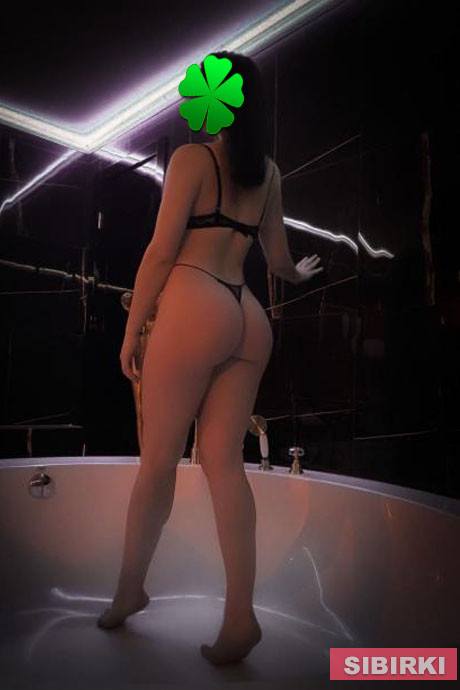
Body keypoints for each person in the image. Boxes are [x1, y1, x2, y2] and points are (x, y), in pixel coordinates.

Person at [96, 51, 323, 665]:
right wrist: (299, 274)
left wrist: (132, 330)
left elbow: (160, 252)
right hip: (247, 316)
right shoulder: (268, 172)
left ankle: (129, 591)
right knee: (225, 466)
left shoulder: (193, 160)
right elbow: (278, 261)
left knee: (157, 464)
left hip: (194, 305)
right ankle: (240, 618)